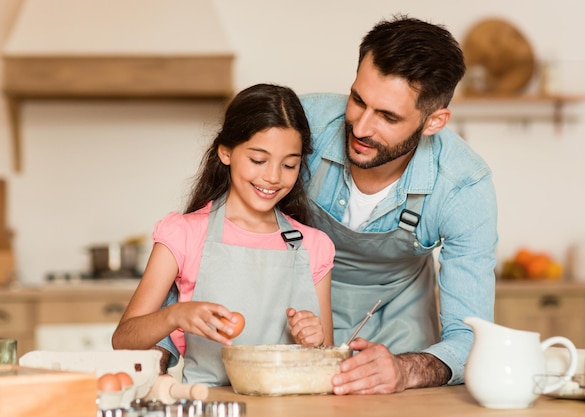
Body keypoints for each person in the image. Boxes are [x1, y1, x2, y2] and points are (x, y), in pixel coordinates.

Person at [158, 14, 497, 394]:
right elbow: (204, 236)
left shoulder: (463, 186)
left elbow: (471, 336)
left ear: (434, 122)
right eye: (358, 100)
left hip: (400, 327)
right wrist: (163, 349)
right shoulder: (306, 126)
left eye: (387, 116)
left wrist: (406, 370)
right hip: (295, 322)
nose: (361, 127)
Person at [112, 83, 335, 386]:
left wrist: (315, 340)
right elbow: (124, 339)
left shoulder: (313, 246)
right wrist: (175, 315)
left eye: (289, 165)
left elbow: (327, 358)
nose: (272, 176)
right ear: (226, 152)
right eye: (258, 160)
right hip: (209, 406)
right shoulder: (184, 234)